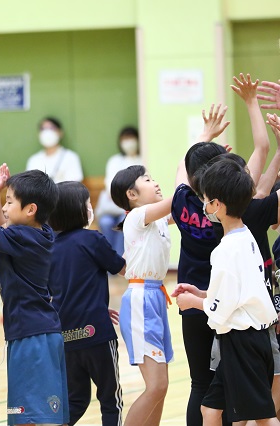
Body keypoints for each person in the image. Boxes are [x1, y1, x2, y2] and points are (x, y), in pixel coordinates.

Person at [173, 76, 275, 425]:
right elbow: (262, 151)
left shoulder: (185, 206)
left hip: (228, 321)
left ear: (212, 201)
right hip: (236, 320)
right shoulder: (247, 218)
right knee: (221, 402)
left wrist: (202, 137)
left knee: (205, 389)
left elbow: (181, 174)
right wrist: (251, 103)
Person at [0, 163, 69, 425]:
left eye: (10, 202)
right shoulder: (40, 232)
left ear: (30, 209)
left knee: (31, 418)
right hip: (40, 332)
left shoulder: (22, 237)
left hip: (30, 336)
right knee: (38, 414)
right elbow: (2, 229)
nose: (4, 207)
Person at [48, 181, 126, 425]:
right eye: (87, 204)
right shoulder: (92, 239)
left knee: (75, 401)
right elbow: (122, 268)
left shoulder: (49, 248)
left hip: (66, 335)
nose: (90, 208)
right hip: (98, 333)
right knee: (110, 400)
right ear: (78, 210)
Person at [110, 165, 174, 426]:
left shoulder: (156, 219)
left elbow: (182, 199)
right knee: (156, 386)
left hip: (156, 297)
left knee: (162, 386)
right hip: (140, 300)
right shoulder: (137, 216)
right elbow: (181, 195)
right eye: (148, 179)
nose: (156, 183)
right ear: (132, 194)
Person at [95, 126, 142, 255]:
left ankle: (119, 261)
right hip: (111, 207)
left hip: (131, 209)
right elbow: (110, 188)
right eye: (125, 139)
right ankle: (112, 260)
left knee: (125, 220)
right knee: (105, 222)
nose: (128, 142)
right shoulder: (114, 161)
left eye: (131, 138)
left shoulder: (143, 159)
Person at [26, 116, 83, 183]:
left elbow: (74, 185)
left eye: (51, 128)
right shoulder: (33, 160)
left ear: (60, 133)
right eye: (43, 129)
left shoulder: (71, 157)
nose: (47, 132)